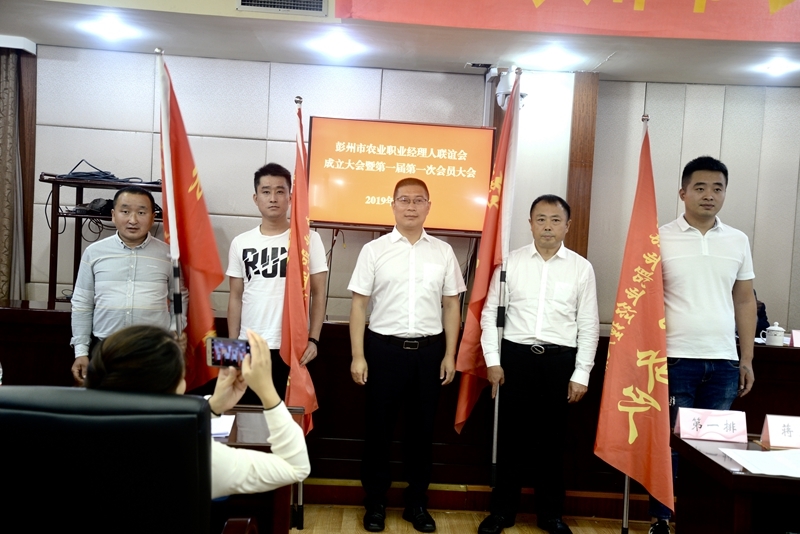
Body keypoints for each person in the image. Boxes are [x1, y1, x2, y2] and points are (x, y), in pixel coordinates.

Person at [348, 178, 466, 533]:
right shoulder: (374, 251)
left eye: (418, 200)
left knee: (422, 432)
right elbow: (359, 306)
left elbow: (452, 306)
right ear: (393, 205)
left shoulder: (443, 251)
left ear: (429, 206)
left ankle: (417, 503)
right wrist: (357, 356)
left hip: (429, 354)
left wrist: (450, 355)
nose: (411, 206)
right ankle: (375, 503)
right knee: (378, 431)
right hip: (383, 352)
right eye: (404, 200)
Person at [476, 194, 599, 534]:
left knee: (553, 443)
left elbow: (588, 324)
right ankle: (502, 512)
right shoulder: (509, 264)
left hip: (560, 363)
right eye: (541, 219)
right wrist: (493, 361)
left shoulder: (581, 268)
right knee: (510, 441)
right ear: (530, 224)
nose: (547, 226)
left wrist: (582, 373)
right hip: (515, 360)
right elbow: (490, 316)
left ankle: (551, 515)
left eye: (555, 220)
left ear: (567, 226)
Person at [648, 156, 756, 534]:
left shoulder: (738, 240)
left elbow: (744, 300)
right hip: (675, 359)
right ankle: (661, 520)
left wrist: (746, 358)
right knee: (672, 446)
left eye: (717, 188)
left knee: (712, 450)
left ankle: (701, 522)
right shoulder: (659, 237)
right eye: (700, 187)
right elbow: (644, 299)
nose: (709, 195)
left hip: (723, 362)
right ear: (683, 193)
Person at [85, 324, 310, 498]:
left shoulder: (71, 438)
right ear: (170, 390)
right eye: (182, 377)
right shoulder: (197, 456)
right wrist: (268, 392)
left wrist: (212, 407)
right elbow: (295, 467)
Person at [226, 163, 328, 400]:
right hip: (249, 346)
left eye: (280, 191)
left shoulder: (308, 240)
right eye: (266, 191)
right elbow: (235, 297)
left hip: (293, 347)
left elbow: (319, 293)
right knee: (247, 414)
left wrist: (314, 339)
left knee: (285, 416)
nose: (273, 198)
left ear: (290, 197)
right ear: (256, 198)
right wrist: (232, 348)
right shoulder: (240, 242)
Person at [70, 185, 186, 386]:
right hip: (106, 348)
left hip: (153, 350)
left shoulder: (169, 255)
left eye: (141, 212)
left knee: (151, 403)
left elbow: (180, 298)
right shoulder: (94, 253)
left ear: (153, 217)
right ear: (113, 215)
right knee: (106, 403)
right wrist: (81, 352)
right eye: (125, 211)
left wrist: (175, 331)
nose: (133, 220)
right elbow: (82, 303)